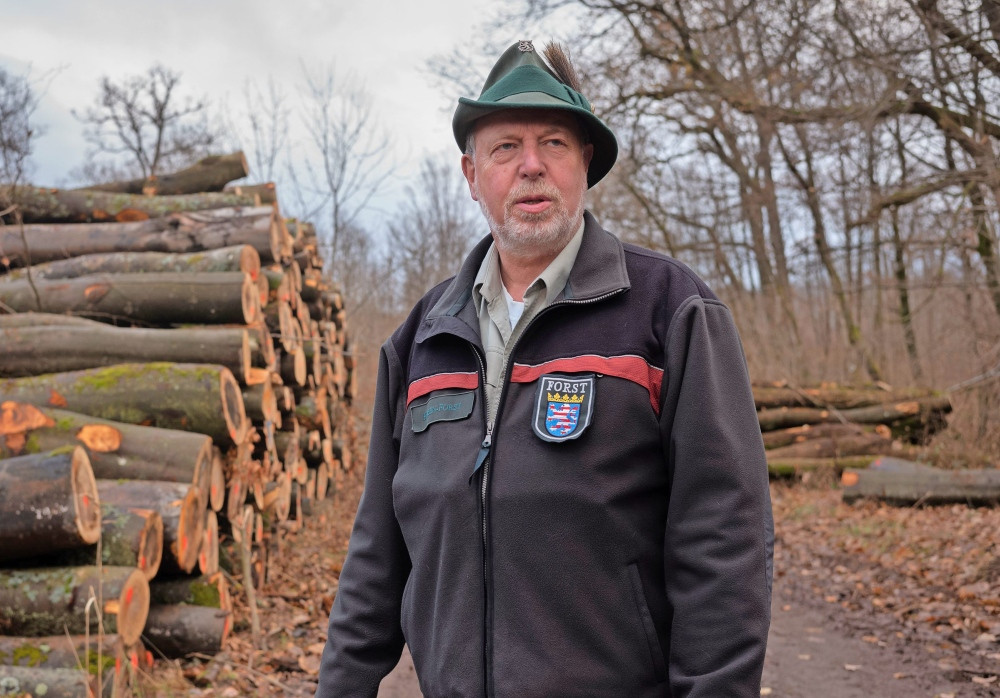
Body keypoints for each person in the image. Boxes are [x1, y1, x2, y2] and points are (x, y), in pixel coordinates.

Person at [317, 40, 773, 697]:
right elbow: (377, 555)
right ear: (472, 176)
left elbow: (725, 543)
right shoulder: (419, 341)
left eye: (554, 143)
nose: (532, 166)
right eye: (506, 147)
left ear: (585, 165)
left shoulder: (672, 313)